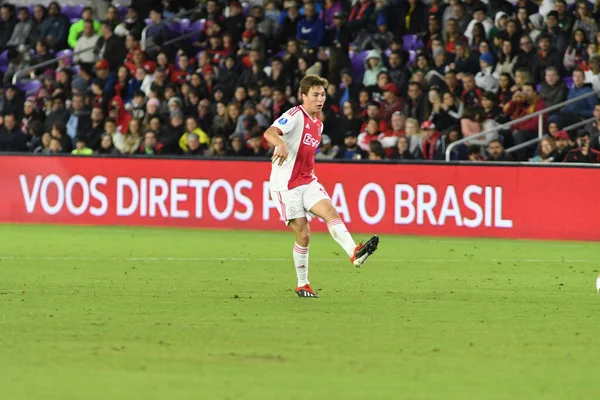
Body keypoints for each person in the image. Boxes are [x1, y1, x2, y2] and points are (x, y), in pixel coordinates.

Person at [263, 74, 379, 298]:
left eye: (323, 94)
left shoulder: (318, 124)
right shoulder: (295, 115)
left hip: (307, 179)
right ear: (303, 95)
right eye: (315, 94)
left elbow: (307, 154)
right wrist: (280, 144)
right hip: (285, 185)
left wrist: (311, 174)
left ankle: (354, 254)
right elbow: (269, 132)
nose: (320, 99)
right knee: (304, 233)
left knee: (330, 211)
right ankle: (302, 284)